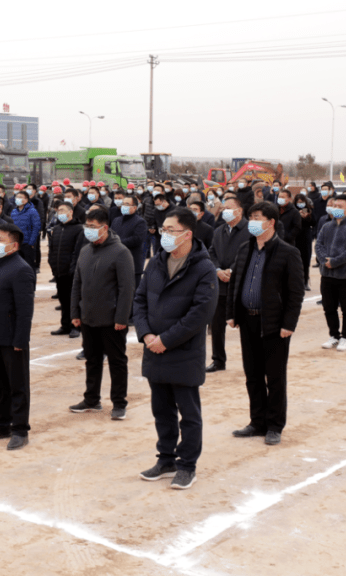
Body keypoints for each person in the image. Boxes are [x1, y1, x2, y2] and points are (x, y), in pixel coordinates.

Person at [134, 208, 217, 490]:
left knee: (189, 414)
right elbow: (140, 301)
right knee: (162, 410)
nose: (164, 235)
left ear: (188, 234)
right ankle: (166, 458)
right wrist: (146, 335)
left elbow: (199, 314)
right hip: (154, 349)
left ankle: (187, 465)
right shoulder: (156, 263)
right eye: (163, 229)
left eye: (171, 230)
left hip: (183, 352)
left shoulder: (204, 268)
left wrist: (166, 340)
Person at [225, 202, 304, 445]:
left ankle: (275, 425)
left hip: (273, 324)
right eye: (250, 217)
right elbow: (235, 283)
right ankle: (257, 422)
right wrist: (231, 312)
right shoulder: (245, 248)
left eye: (257, 217)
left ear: (271, 222)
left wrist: (288, 323)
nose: (252, 221)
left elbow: (295, 293)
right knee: (253, 375)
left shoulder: (288, 252)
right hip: (247, 320)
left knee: (275, 377)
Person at [69, 207, 136, 419]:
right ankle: (91, 399)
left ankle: (119, 403)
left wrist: (122, 317)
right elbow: (77, 283)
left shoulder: (120, 252)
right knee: (92, 359)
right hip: (88, 316)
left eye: (92, 227)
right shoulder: (85, 251)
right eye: (86, 226)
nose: (88, 230)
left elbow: (127, 288)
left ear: (104, 228)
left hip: (112, 319)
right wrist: (75, 312)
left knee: (117, 362)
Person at [0, 223, 36, 451]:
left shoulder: (21, 269)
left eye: (2, 240)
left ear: (14, 245)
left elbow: (25, 310)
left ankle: (20, 429)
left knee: (17, 385)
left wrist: (21, 339)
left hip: (12, 339)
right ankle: (1, 424)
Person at [315, 194, 346, 351]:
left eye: (339, 206)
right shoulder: (326, 226)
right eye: (334, 206)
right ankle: (334, 335)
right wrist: (324, 260)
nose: (335, 209)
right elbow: (319, 245)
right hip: (327, 275)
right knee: (329, 307)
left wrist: (334, 261)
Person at [207, 196, 249, 372]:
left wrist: (232, 271)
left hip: (241, 286)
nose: (225, 211)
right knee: (216, 326)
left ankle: (251, 361)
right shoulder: (219, 231)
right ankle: (218, 360)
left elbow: (247, 253)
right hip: (221, 286)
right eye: (223, 208)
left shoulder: (249, 230)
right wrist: (217, 270)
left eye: (228, 208)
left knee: (247, 328)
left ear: (239, 211)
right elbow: (211, 253)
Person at [47, 201, 85, 339]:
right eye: (59, 211)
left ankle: (76, 326)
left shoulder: (78, 229)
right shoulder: (56, 229)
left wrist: (73, 269)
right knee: (63, 299)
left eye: (63, 211)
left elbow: (78, 252)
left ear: (71, 212)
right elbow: (52, 249)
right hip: (59, 271)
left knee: (73, 300)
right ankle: (65, 325)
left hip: (71, 272)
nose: (60, 213)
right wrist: (52, 265)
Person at [111, 194, 147, 288]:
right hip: (115, 261)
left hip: (132, 263)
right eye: (123, 204)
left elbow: (137, 239)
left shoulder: (140, 222)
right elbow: (110, 235)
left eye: (127, 204)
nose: (123, 206)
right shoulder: (116, 220)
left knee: (132, 293)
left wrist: (117, 243)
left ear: (134, 207)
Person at [10, 188, 41, 271]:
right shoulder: (14, 212)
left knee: (29, 267)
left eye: (20, 197)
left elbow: (36, 227)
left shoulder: (32, 211)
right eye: (17, 197)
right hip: (16, 244)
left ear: (26, 199)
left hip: (27, 244)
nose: (18, 199)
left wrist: (31, 243)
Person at [293, 193, 315, 290]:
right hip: (295, 238)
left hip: (306, 238)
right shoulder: (293, 211)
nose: (300, 204)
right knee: (295, 261)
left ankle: (305, 281)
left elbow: (314, 222)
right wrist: (297, 216)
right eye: (298, 202)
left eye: (302, 202)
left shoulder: (309, 210)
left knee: (306, 260)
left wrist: (306, 216)